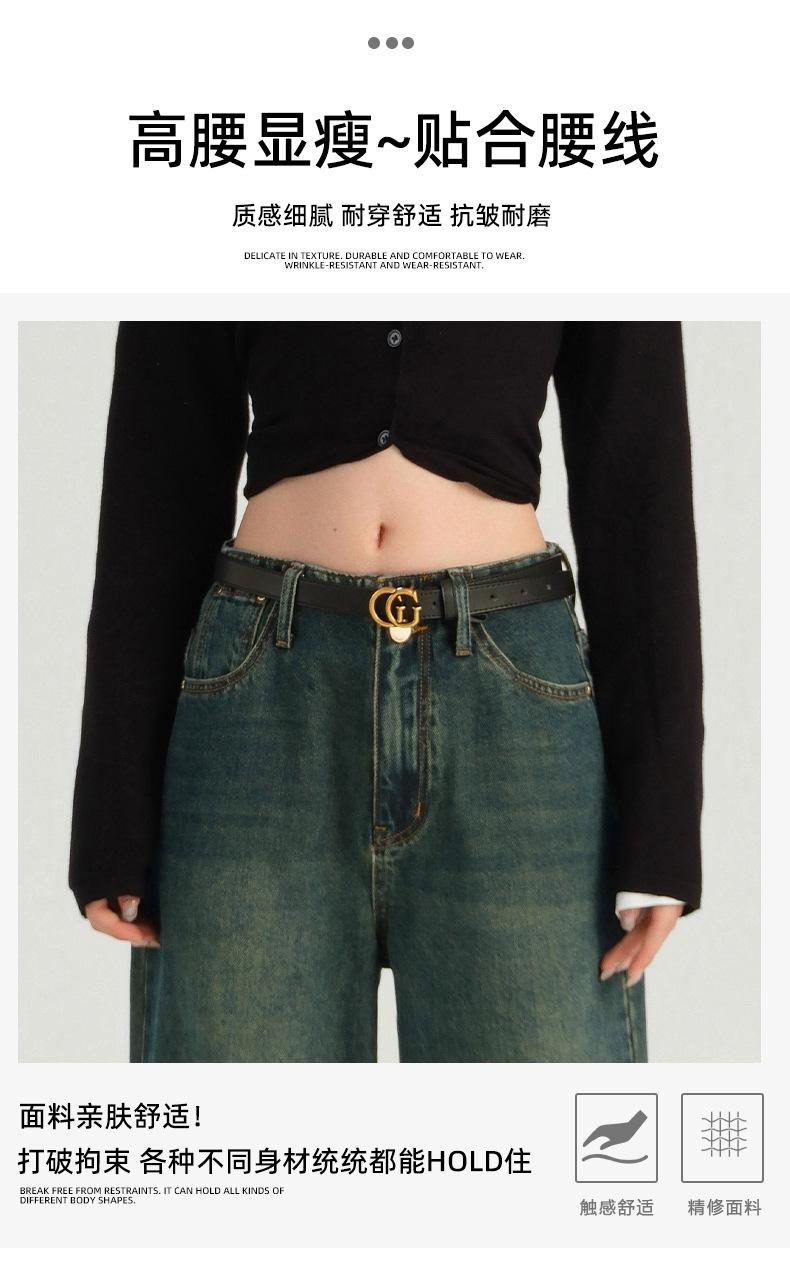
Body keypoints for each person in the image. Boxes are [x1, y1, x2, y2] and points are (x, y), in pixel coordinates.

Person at [68, 320, 703, 1063]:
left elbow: (638, 476)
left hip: (512, 713)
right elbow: (158, 465)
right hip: (260, 706)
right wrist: (113, 812)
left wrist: (661, 828)